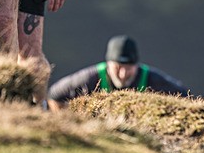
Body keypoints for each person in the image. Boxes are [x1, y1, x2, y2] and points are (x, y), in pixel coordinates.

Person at [47, 35, 189, 109]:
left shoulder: (151, 79)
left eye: (129, 68)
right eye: (118, 67)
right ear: (108, 63)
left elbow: (185, 95)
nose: (122, 74)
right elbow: (55, 94)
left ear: (137, 65)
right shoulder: (90, 78)